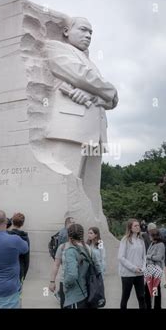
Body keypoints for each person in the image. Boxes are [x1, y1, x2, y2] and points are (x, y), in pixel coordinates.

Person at [43, 17, 118, 219]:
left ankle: (93, 230)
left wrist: (100, 94)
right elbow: (79, 75)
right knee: (68, 184)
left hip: (96, 132)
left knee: (91, 191)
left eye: (91, 33)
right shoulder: (55, 47)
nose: (88, 36)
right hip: (72, 127)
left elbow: (110, 101)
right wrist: (110, 90)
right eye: (84, 30)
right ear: (66, 31)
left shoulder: (91, 62)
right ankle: (66, 228)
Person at [62, 223, 94, 309]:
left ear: (69, 235)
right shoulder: (87, 249)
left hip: (74, 297)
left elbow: (72, 275)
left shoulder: (71, 251)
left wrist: (65, 284)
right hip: (85, 293)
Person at [118, 218, 146, 309]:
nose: (138, 227)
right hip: (127, 274)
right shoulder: (125, 240)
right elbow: (121, 257)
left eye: (138, 225)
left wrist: (143, 268)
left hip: (140, 274)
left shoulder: (141, 240)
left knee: (141, 297)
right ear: (130, 228)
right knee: (125, 298)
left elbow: (144, 256)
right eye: (135, 226)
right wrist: (134, 268)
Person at [48, 217, 75, 307]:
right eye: (73, 222)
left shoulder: (64, 231)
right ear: (68, 223)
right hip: (64, 258)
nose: (75, 224)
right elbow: (63, 248)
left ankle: (60, 294)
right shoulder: (65, 233)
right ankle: (60, 294)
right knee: (66, 276)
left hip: (63, 257)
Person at [7, 212, 30, 287]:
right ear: (22, 224)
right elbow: (27, 258)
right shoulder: (25, 238)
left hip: (7, 270)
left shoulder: (6, 235)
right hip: (20, 269)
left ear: (12, 221)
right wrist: (24, 274)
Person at [144, 228, 165, 309]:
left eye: (150, 235)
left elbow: (159, 257)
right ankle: (148, 305)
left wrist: (148, 257)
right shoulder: (152, 243)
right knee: (147, 289)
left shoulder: (161, 245)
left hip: (156, 270)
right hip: (149, 269)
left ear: (154, 236)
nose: (149, 237)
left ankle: (157, 306)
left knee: (155, 289)